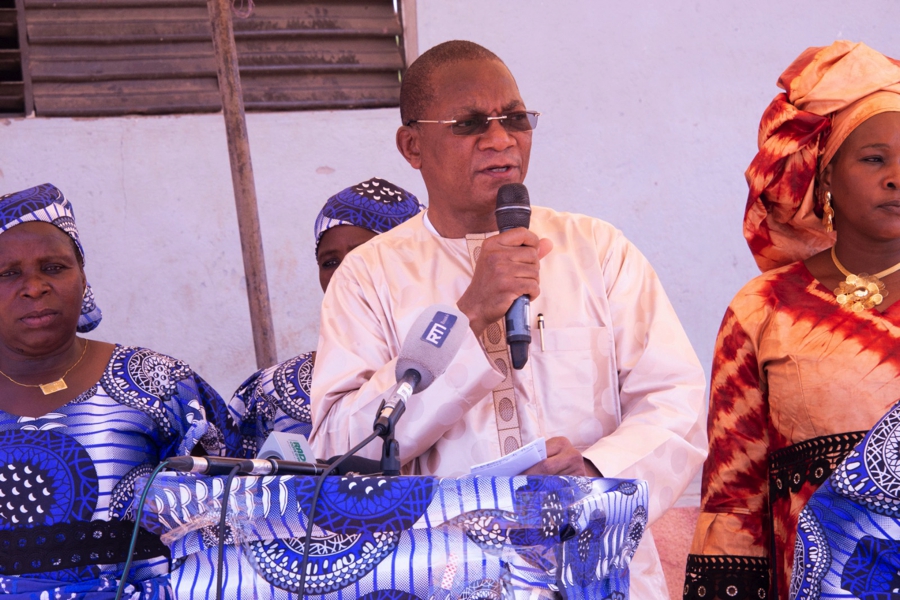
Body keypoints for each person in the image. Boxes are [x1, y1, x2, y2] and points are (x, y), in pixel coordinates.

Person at [310, 40, 708, 600]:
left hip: (595, 568)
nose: (500, 140)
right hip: (440, 576)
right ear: (412, 145)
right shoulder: (369, 276)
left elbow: (676, 403)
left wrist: (596, 471)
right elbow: (340, 447)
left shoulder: (595, 249)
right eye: (470, 123)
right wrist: (469, 313)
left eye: (515, 119)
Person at [684, 41, 900, 600]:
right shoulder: (762, 309)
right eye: (874, 158)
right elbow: (735, 493)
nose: (897, 177)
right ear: (824, 177)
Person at [0, 183, 239, 598]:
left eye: (54, 267)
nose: (34, 287)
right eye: (7, 273)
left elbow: (243, 510)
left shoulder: (159, 383)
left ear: (83, 276)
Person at [228, 177, 423, 456]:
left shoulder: (468, 362)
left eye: (363, 256)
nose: (344, 273)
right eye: (330, 262)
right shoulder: (271, 390)